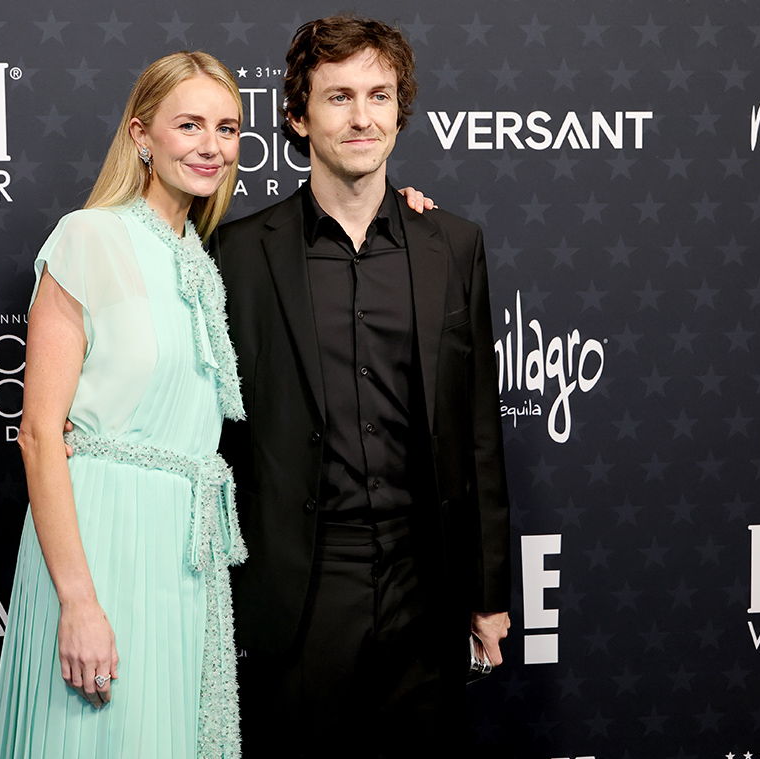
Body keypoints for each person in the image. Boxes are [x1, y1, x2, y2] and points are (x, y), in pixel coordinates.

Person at [209, 16, 512, 758]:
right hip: (301, 591)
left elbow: (476, 428)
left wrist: (489, 591)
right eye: (339, 96)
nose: (362, 116)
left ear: (399, 111)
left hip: (426, 585)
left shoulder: (454, 243)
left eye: (379, 95)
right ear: (297, 114)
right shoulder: (238, 254)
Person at [0, 51, 249, 759]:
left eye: (227, 128)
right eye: (188, 124)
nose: (211, 145)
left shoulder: (200, 258)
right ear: (141, 135)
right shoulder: (88, 235)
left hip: (183, 560)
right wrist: (77, 601)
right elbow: (40, 432)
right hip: (101, 543)